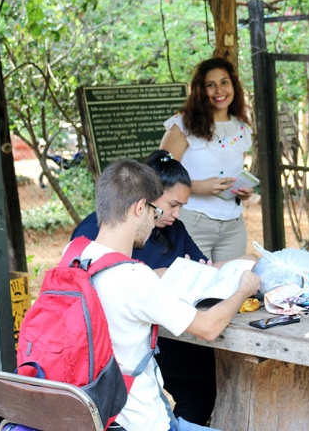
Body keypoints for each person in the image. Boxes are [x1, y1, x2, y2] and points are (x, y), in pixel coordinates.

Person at [72, 150, 254, 425]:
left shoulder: (75, 254)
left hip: (94, 399)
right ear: (140, 207)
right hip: (139, 419)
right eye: (158, 209)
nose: (164, 216)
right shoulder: (134, 277)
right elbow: (208, 328)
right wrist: (243, 290)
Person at [160, 57, 254, 263]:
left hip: (233, 226)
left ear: (233, 86)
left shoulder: (241, 127)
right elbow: (159, 173)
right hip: (192, 221)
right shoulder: (182, 125)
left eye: (224, 82)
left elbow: (232, 171)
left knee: (231, 287)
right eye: (210, 85)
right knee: (197, 290)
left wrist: (243, 190)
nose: (219, 91)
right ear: (200, 90)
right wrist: (197, 187)